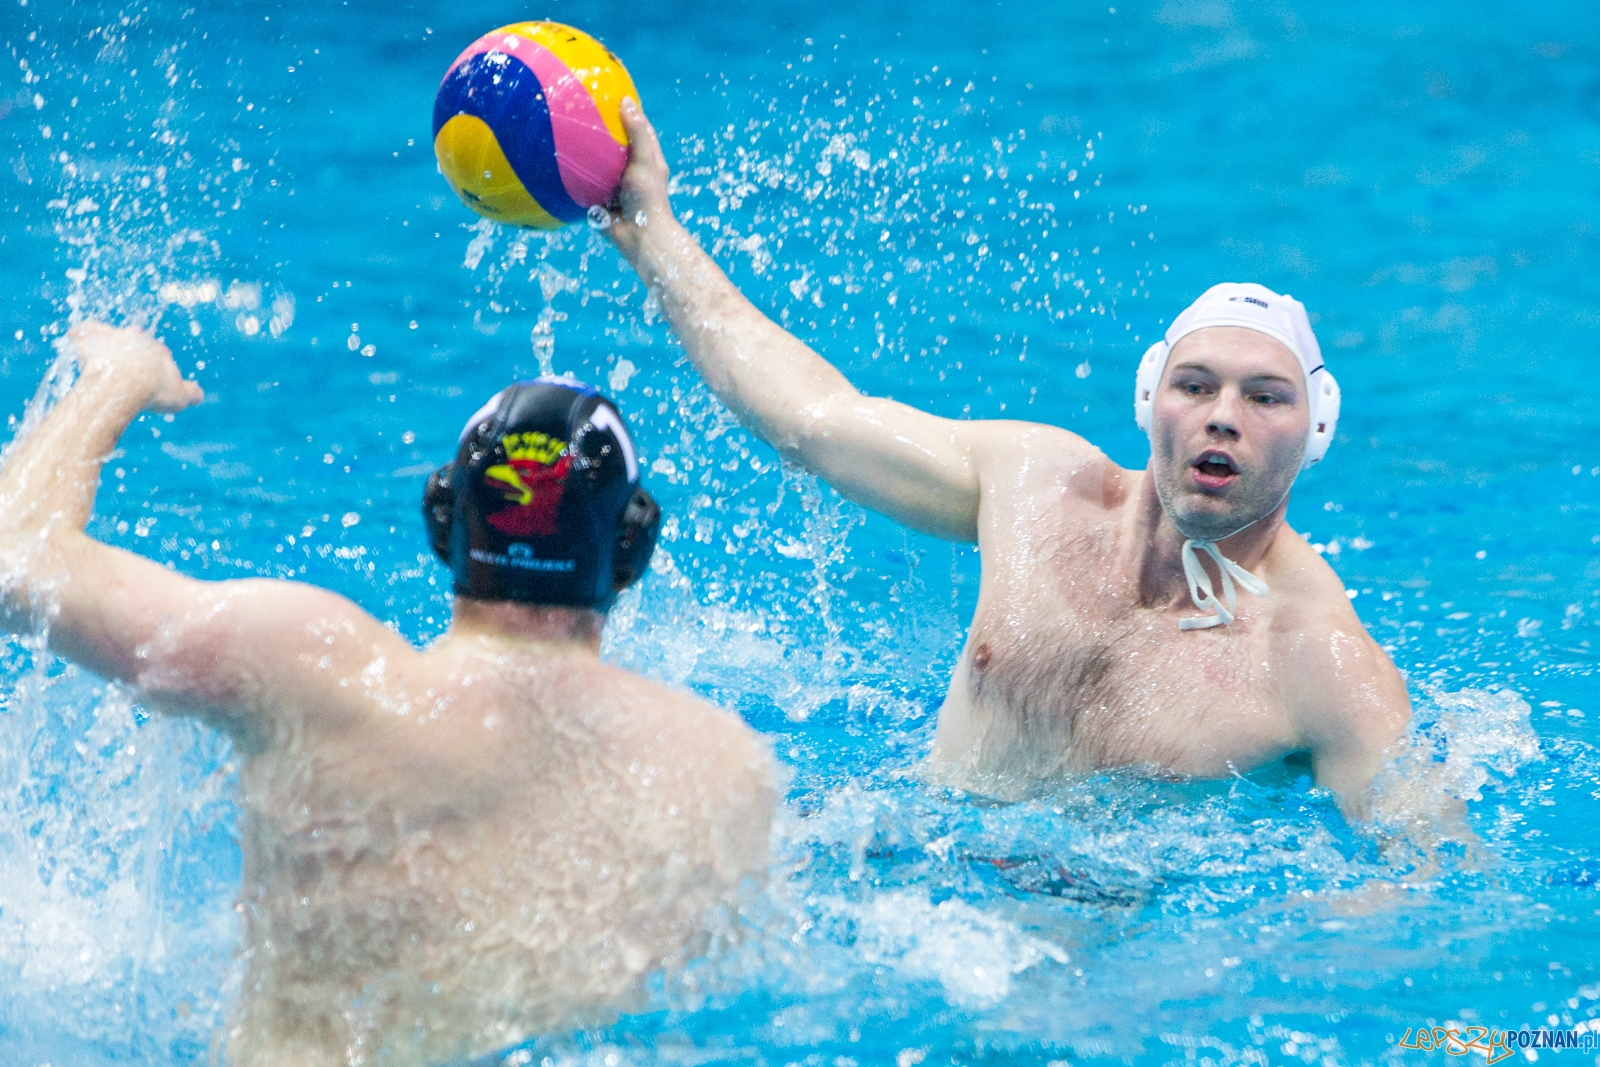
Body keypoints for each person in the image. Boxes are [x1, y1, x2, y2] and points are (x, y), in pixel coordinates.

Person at [604, 100, 1410, 818]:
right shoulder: (1035, 487)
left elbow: (1418, 874)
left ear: (1316, 431)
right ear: (1148, 400)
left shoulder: (1319, 661)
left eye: (1265, 398)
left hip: (1100, 952)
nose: (1223, 418)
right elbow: (811, 419)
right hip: (910, 870)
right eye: (1195, 386)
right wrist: (653, 235)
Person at [0, 322, 775, 1067]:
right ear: (631, 547)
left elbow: (12, 559)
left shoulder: (311, 669)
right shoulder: (720, 769)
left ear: (444, 521)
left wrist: (119, 377)